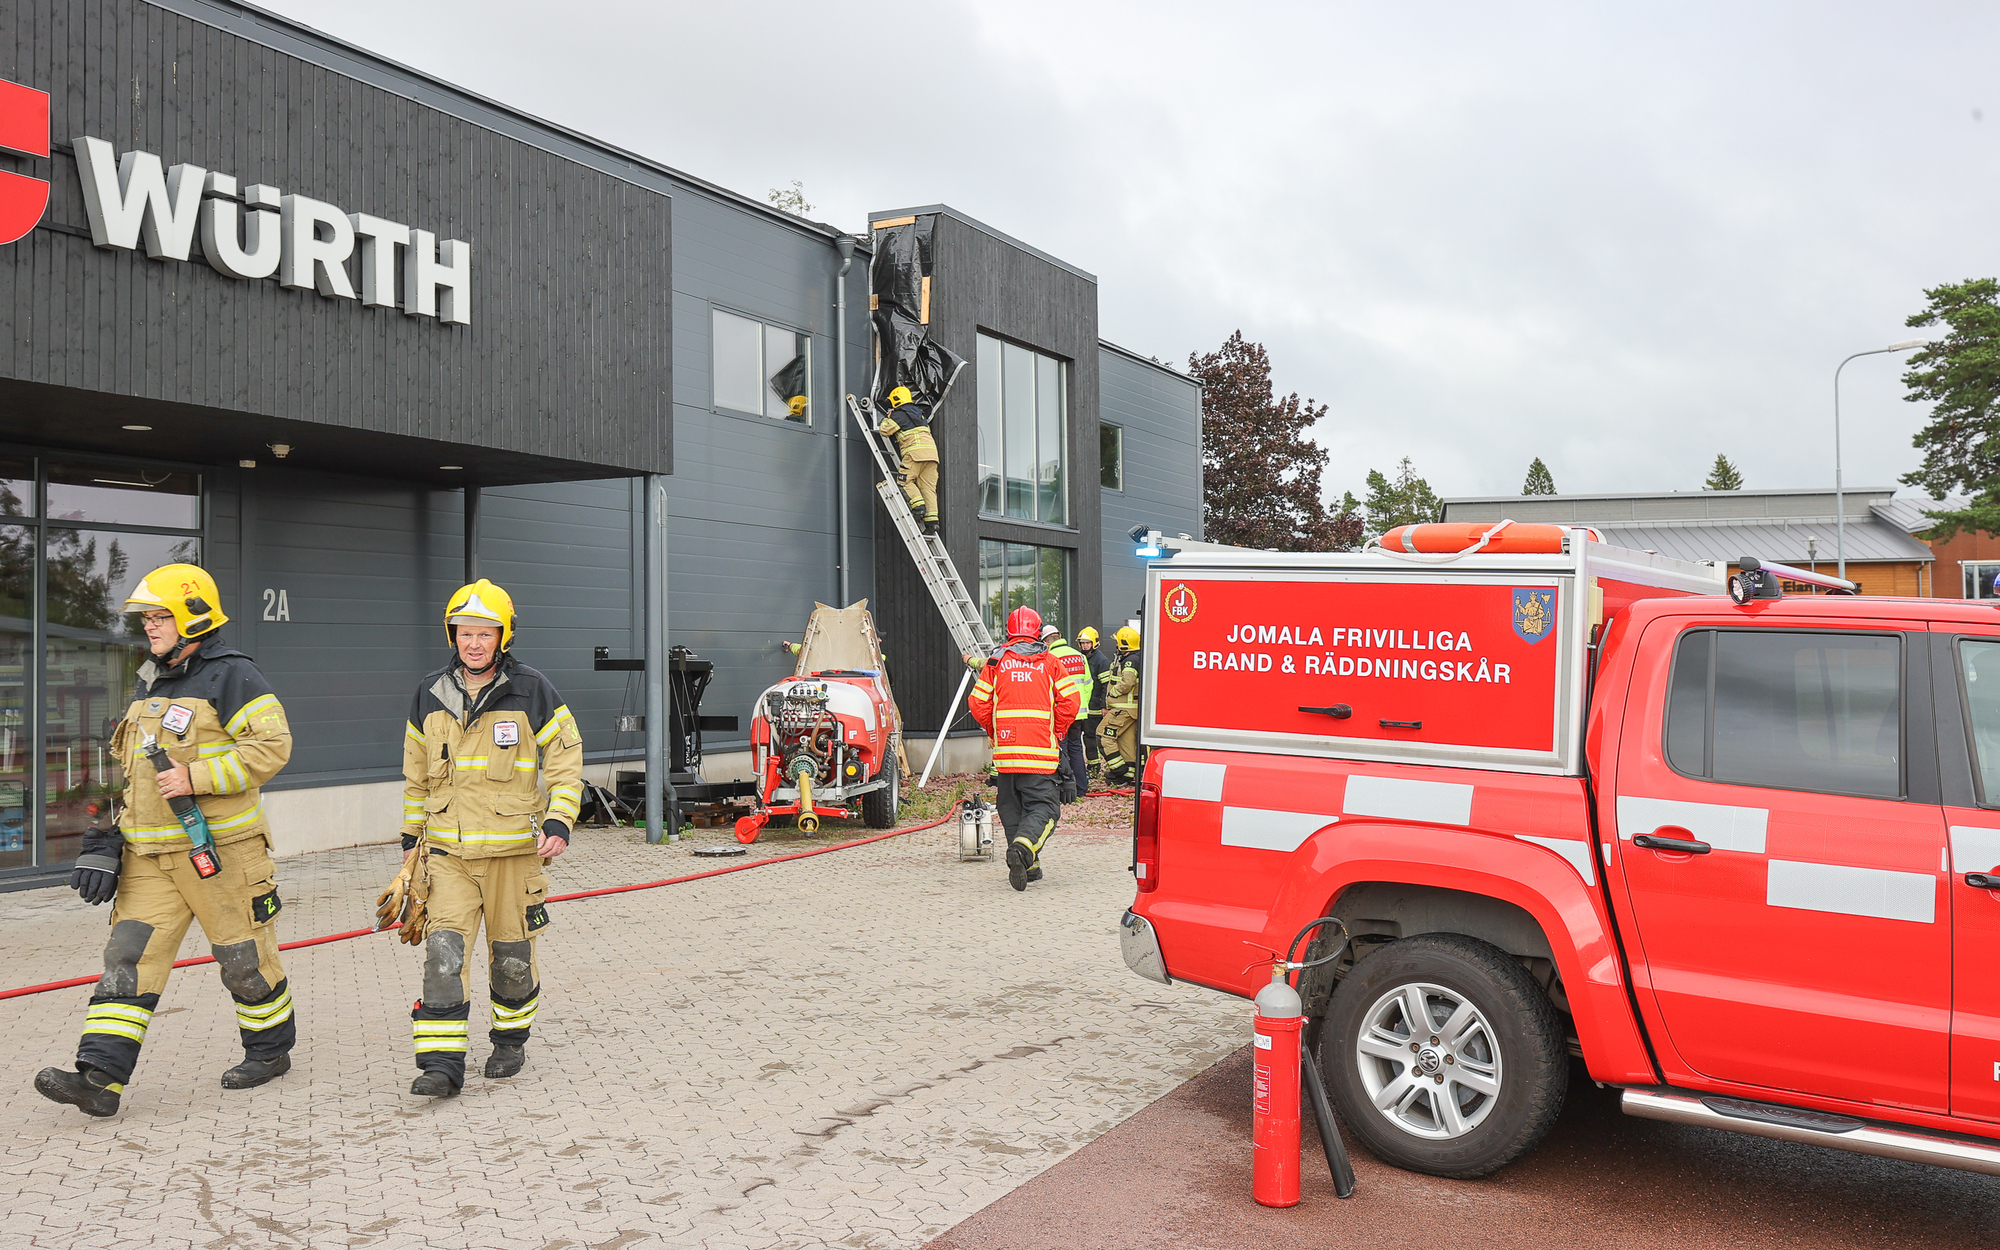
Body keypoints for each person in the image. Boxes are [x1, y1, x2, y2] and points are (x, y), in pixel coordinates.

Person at [35, 564, 296, 1117]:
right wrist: (103, 839)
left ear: (194, 617)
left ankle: (270, 1052)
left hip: (220, 855)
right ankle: (99, 1079)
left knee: (243, 960)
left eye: (161, 617)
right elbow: (130, 776)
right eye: (148, 618)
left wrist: (196, 777)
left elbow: (271, 749)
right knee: (127, 958)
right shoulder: (148, 680)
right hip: (149, 858)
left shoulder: (233, 675)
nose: (150, 628)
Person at [397, 579, 584, 1098]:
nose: (474, 643)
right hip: (449, 857)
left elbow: (566, 763)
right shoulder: (428, 693)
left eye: (485, 633)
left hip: (513, 858)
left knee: (512, 961)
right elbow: (417, 776)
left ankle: (509, 1040)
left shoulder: (533, 690)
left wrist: (559, 820)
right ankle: (440, 1065)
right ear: (451, 635)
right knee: (442, 955)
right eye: (464, 632)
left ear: (503, 636)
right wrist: (412, 840)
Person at [967, 607, 1079, 891]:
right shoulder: (1051, 662)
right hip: (1040, 754)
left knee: (1011, 808)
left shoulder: (995, 662)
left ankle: (1029, 866)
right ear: (1039, 633)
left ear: (1008, 633)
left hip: (1006, 757)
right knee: (1044, 808)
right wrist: (1057, 731)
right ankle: (1023, 850)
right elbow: (1071, 702)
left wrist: (995, 732)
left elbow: (978, 704)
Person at [876, 385, 940, 534]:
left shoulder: (899, 414)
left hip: (914, 454)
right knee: (929, 488)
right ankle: (932, 524)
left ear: (896, 400)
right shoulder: (920, 414)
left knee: (904, 482)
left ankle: (918, 508)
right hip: (932, 456)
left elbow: (885, 431)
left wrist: (888, 418)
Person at [1041, 623, 1093, 800]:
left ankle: (1064, 789)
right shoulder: (1079, 656)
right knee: (1076, 748)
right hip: (1079, 712)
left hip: (1060, 712)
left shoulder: (1050, 657)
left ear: (1047, 641)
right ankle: (1080, 788)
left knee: (1061, 750)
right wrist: (1079, 705)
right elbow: (1088, 684)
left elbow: (1047, 688)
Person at [1097, 625, 1144, 785]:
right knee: (1126, 744)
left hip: (1123, 709)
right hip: (1129, 711)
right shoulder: (1130, 658)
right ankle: (1128, 776)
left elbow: (1127, 682)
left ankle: (1118, 770)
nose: (1116, 646)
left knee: (1103, 736)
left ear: (1124, 644)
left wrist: (1113, 693)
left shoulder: (1130, 661)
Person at [1076, 626, 1111, 775]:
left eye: (1087, 643)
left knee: (1091, 737)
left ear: (1094, 643)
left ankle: (1094, 767)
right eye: (1083, 643)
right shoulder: (1080, 657)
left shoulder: (1101, 661)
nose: (1085, 645)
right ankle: (1092, 765)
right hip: (1084, 705)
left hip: (1095, 706)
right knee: (1086, 737)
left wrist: (1104, 706)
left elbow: (1106, 685)